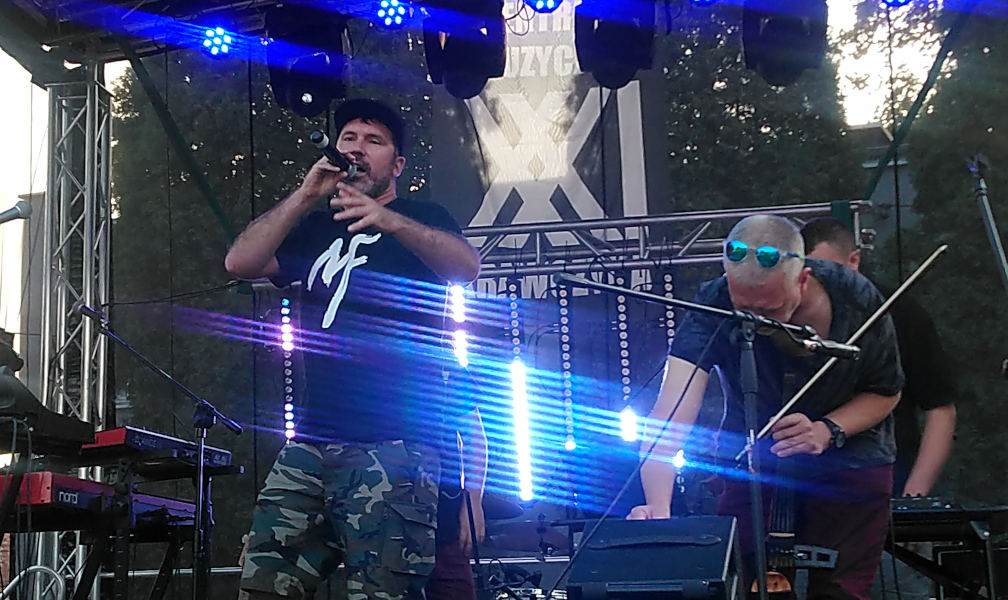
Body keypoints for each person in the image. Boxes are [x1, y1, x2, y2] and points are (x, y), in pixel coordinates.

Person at [225, 98, 484, 600]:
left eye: (373, 141)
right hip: (311, 442)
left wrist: (388, 219)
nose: (357, 149)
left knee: (382, 590)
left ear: (397, 163)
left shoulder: (422, 217)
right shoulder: (315, 228)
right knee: (263, 583)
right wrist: (305, 194)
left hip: (395, 443)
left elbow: (465, 267)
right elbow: (240, 262)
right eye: (348, 139)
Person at [629, 215, 904, 600]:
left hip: (853, 458)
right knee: (743, 582)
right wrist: (658, 504)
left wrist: (826, 429)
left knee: (840, 591)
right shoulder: (713, 303)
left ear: (803, 279)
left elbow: (887, 392)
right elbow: (671, 412)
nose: (758, 322)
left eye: (771, 311)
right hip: (756, 458)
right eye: (745, 310)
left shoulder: (855, 297)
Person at [801, 217, 958, 600]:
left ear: (854, 260)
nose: (822, 280)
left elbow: (940, 408)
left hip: (885, 496)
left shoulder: (901, 312)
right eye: (811, 273)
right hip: (807, 504)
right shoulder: (794, 314)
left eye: (831, 268)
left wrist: (914, 497)